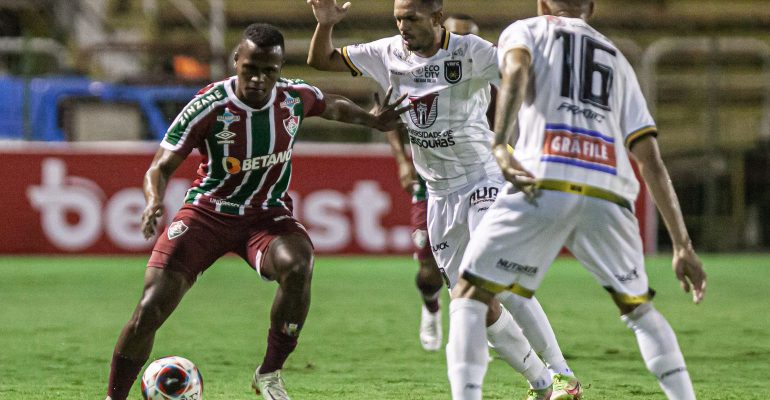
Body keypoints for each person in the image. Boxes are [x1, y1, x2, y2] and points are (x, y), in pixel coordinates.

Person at [104, 23, 409, 400]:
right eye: (251, 69)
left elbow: (331, 105)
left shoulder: (292, 98)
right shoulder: (210, 104)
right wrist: (154, 200)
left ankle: (269, 373)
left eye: (270, 71)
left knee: (299, 265)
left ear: (279, 69)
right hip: (208, 214)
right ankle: (113, 396)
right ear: (236, 62)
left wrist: (372, 119)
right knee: (150, 308)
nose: (260, 79)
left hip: (266, 215)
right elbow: (160, 166)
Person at [307, 1, 581, 398]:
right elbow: (321, 60)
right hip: (438, 192)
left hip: (482, 178)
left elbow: (524, 79)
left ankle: (563, 374)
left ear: (436, 18)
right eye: (398, 18)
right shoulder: (388, 53)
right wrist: (325, 25)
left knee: (493, 279)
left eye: (412, 18)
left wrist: (516, 140)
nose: (403, 25)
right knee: (471, 303)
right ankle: (542, 383)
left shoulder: (471, 51)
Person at [446, 0, 708, 399]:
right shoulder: (617, 57)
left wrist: (499, 144)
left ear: (542, 3)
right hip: (608, 189)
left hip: (545, 177)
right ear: (590, 7)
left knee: (469, 295)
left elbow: (515, 70)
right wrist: (682, 245)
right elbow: (650, 158)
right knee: (639, 312)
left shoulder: (526, 29)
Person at [385, 13, 481, 353]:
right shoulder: (411, 69)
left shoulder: (484, 80)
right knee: (428, 269)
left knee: (485, 259)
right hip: (431, 183)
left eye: (466, 39)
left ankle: (479, 328)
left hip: (476, 179)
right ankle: (431, 306)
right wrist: (401, 160)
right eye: (453, 36)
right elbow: (389, 115)